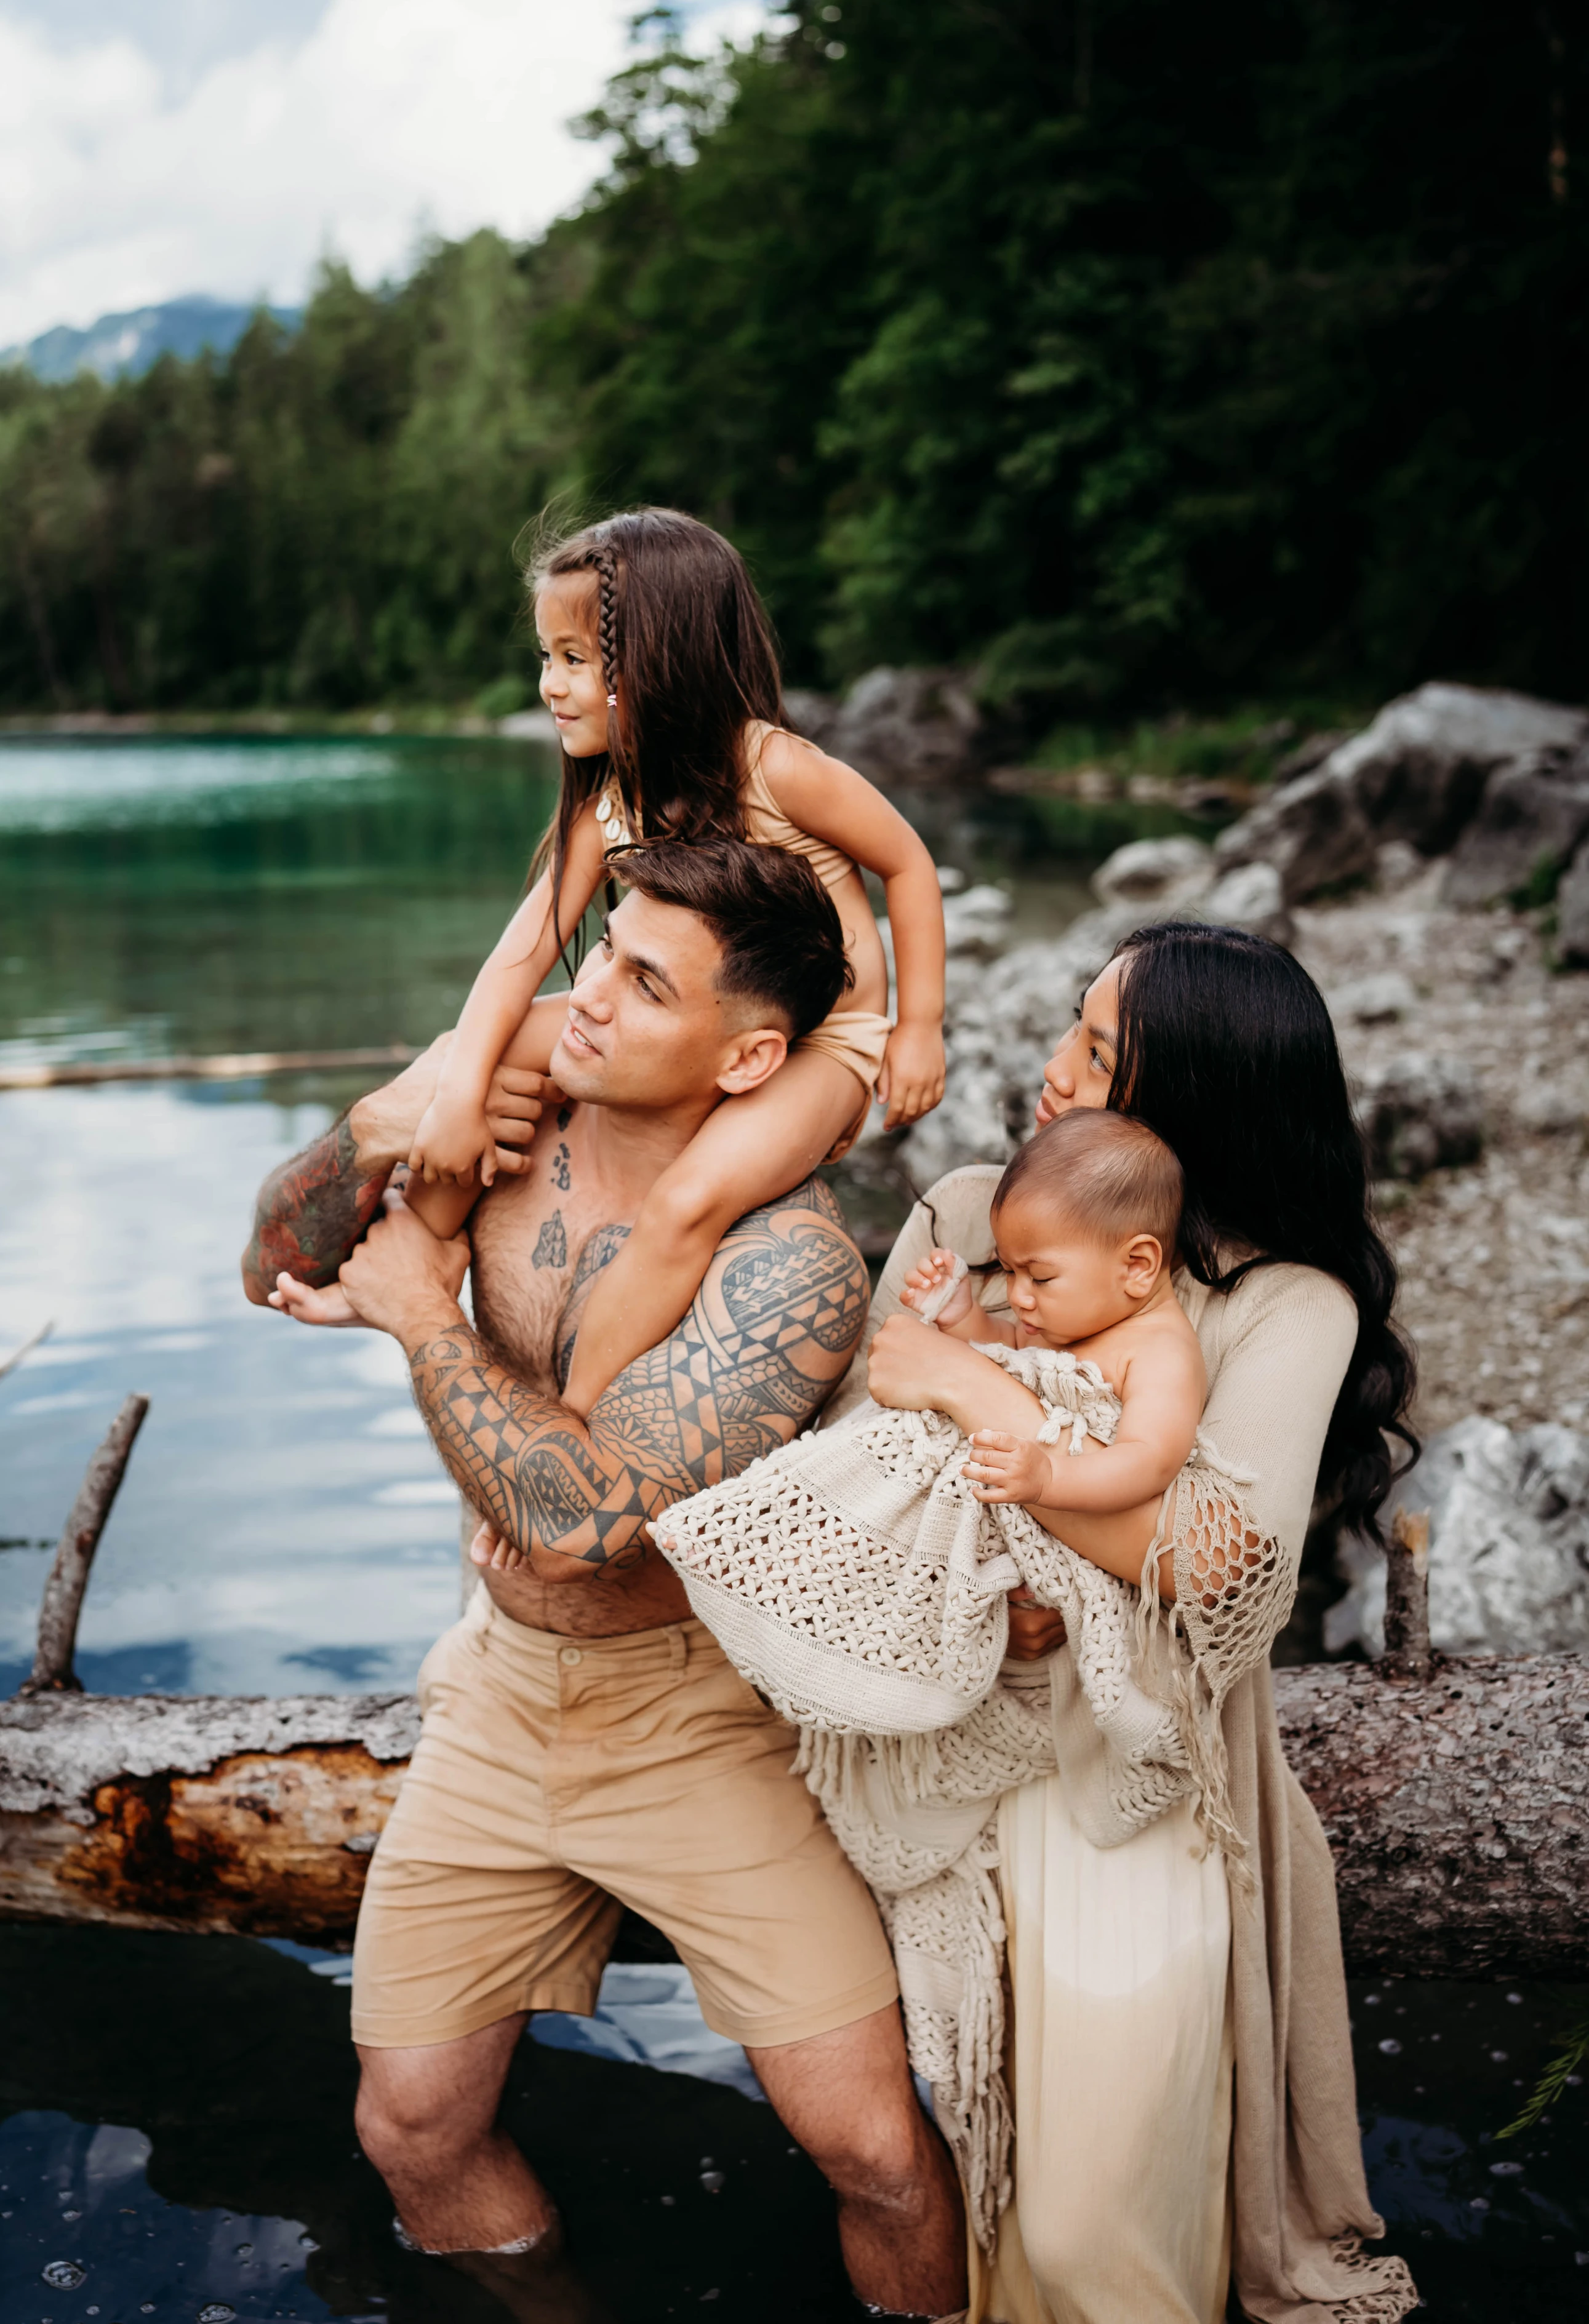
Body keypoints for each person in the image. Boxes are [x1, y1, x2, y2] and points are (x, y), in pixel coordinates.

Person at [241, 837, 969, 2324]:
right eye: (602, 952)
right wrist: (388, 1117)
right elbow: (276, 1259)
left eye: (646, 984)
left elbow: (586, 1518)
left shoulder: (790, 1263)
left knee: (875, 2153)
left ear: (750, 1053)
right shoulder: (510, 1117)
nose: (587, 999)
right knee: (412, 2127)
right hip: (497, 1699)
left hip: (693, 1718)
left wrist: (418, 1318)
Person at [838, 922, 1420, 2324]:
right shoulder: (972, 1210)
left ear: (1198, 1095)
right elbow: (868, 1482)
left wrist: (983, 1398)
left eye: (1096, 1050)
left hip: (1142, 1779)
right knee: (974, 2194)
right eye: (1070, 1027)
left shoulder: (1286, 1300)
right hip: (950, 1734)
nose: (1050, 1071)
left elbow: (1217, 1558)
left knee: (1091, 2221)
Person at [330, 505, 948, 1423]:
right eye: (545, 657)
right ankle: (408, 1263)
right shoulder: (609, 801)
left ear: (662, 661)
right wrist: (462, 1094)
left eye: (576, 660)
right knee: (468, 1054)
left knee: (687, 1203)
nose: (549, 684)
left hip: (824, 1040)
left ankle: (573, 1417)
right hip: (685, 1022)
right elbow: (523, 953)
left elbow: (907, 861)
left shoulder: (773, 767)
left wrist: (917, 1027)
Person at [900, 1109, 1206, 1529]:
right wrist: (961, 1317)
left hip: (1065, 1519)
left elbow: (1148, 1460)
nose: (1018, 1295)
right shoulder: (1065, 1318)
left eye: (1040, 1276)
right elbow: (1009, 1355)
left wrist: (1051, 1475)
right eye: (1009, 1271)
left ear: (1137, 1265)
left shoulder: (1161, 1352)